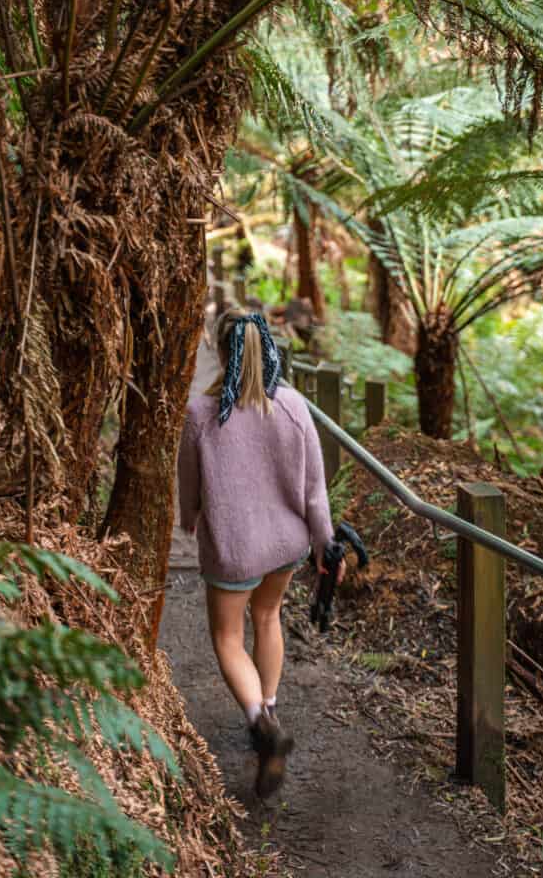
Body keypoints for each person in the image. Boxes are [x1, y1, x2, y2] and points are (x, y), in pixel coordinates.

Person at [177, 308, 346, 799]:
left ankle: (260, 724)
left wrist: (190, 515)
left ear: (221, 351)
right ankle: (268, 706)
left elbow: (190, 482)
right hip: (286, 543)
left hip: (234, 547)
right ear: (267, 346)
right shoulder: (293, 407)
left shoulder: (201, 415)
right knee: (268, 617)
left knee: (228, 637)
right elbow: (316, 491)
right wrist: (323, 545)